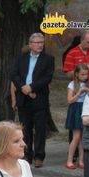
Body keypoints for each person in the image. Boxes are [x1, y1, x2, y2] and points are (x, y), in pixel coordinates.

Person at [11, 33, 55, 168]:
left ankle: (39, 156)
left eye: (42, 42)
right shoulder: (21, 58)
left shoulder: (48, 59)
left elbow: (47, 77)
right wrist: (23, 88)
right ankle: (27, 154)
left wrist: (31, 87)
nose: (40, 45)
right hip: (23, 98)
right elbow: (14, 74)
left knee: (40, 129)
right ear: (30, 45)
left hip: (39, 98)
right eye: (37, 42)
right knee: (25, 128)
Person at [66, 64, 89, 169]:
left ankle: (81, 160)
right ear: (76, 74)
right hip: (75, 109)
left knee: (82, 137)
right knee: (76, 137)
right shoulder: (72, 84)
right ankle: (69, 160)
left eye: (86, 75)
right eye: (82, 74)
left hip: (86, 110)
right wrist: (80, 93)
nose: (84, 77)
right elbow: (69, 100)